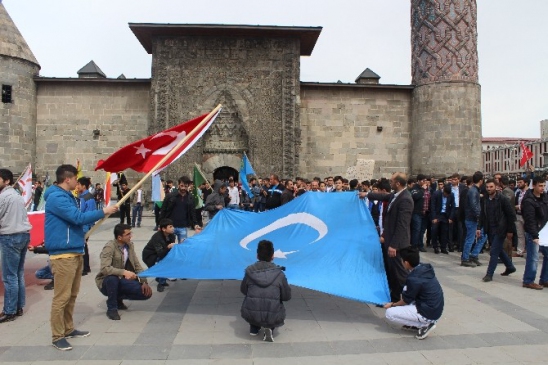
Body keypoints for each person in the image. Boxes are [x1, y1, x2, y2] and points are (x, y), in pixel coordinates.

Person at [44, 164, 118, 350]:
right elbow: (76, 218)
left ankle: (68, 328)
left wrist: (85, 232)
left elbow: (76, 223)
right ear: (67, 179)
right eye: (76, 179)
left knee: (72, 295)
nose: (78, 183)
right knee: (61, 297)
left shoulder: (68, 196)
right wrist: (104, 211)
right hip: (63, 254)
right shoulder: (56, 198)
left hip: (75, 250)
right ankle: (57, 335)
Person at [361, 172, 414, 302]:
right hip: (390, 241)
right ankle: (394, 299)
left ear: (398, 183)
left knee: (400, 274)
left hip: (397, 244)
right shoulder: (396, 195)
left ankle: (411, 300)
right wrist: (366, 194)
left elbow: (402, 225)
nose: (390, 183)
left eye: (391, 181)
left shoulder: (405, 199)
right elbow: (383, 196)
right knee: (393, 273)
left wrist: (394, 245)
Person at [383, 247, 444, 340]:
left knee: (389, 313)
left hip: (428, 312)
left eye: (402, 261)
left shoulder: (414, 279)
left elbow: (406, 300)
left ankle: (424, 324)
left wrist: (392, 304)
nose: (401, 263)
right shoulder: (425, 268)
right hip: (434, 308)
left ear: (406, 263)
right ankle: (420, 322)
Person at [96, 224, 152, 320]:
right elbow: (105, 268)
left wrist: (144, 281)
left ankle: (117, 298)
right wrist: (124, 272)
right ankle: (112, 308)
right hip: (107, 281)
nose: (131, 236)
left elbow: (137, 264)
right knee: (112, 279)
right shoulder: (110, 247)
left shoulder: (129, 246)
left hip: (123, 279)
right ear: (119, 237)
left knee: (146, 293)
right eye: (128, 234)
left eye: (131, 233)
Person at [240, 240, 291, 342]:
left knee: (253, 301)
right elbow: (286, 297)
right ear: (272, 256)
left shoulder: (249, 272)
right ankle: (269, 327)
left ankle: (254, 328)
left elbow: (243, 290)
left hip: (251, 312)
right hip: (272, 314)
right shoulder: (279, 274)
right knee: (273, 304)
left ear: (257, 256)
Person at [0, 168, 32, 323]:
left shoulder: (4, 196)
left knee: (9, 276)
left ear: (6, 181)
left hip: (10, 236)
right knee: (18, 273)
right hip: (23, 235)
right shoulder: (17, 195)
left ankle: (9, 310)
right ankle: (19, 306)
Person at [480, 179, 517, 282]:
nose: (489, 189)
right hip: (490, 229)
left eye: (491, 187)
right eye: (487, 187)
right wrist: (479, 227)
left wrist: (510, 230)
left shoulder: (503, 199)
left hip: (500, 229)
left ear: (496, 187)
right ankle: (510, 267)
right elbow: (482, 215)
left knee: (494, 251)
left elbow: (511, 215)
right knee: (499, 250)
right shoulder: (485, 199)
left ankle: (489, 274)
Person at [521, 176, 548, 290]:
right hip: (534, 232)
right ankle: (528, 280)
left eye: (544, 186)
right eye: (540, 186)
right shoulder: (529, 200)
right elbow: (530, 219)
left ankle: (545, 279)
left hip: (544, 230)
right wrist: (534, 235)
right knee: (533, 257)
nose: (542, 188)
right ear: (534, 186)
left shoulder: (545, 197)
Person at [159, 177, 199, 243]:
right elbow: (163, 210)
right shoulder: (170, 196)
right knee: (169, 247)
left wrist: (195, 224)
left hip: (183, 227)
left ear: (188, 186)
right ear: (178, 185)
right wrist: (160, 224)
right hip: (170, 226)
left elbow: (192, 212)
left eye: (185, 186)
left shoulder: (190, 198)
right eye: (182, 186)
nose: (183, 188)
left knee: (182, 247)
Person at [142, 218, 177, 292]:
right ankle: (161, 283)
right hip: (150, 255)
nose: (173, 228)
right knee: (163, 264)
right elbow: (161, 253)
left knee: (167, 262)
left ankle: (160, 279)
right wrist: (168, 247)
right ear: (164, 229)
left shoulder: (172, 235)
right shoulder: (157, 237)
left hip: (161, 254)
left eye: (172, 226)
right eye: (170, 227)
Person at [461, 171, 484, 267]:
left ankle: (473, 255)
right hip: (472, 218)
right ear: (481, 180)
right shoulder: (473, 191)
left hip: (472, 217)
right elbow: (474, 206)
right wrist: (480, 216)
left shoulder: (474, 190)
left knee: (483, 236)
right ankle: (465, 258)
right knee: (470, 238)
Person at [76, 177, 96, 276]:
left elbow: (86, 213)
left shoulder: (86, 197)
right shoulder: (85, 196)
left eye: (78, 184)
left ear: (83, 186)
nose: (77, 186)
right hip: (84, 225)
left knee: (82, 246)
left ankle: (85, 267)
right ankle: (85, 267)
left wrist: (86, 226)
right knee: (83, 246)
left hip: (84, 226)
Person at [430, 184, 456, 254]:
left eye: (448, 195)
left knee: (444, 232)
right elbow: (433, 206)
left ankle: (443, 247)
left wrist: (451, 217)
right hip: (438, 215)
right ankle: (435, 246)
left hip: (445, 215)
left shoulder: (451, 195)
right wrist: (434, 217)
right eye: (445, 194)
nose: (446, 196)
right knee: (435, 230)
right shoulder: (436, 194)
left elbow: (453, 207)